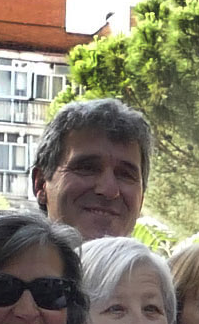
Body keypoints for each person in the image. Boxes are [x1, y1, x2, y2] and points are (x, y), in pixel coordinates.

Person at [32, 98, 151, 240]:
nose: (108, 190)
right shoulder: (4, 260)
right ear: (41, 183)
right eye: (87, 168)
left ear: (141, 198)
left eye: (125, 175)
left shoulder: (158, 263)